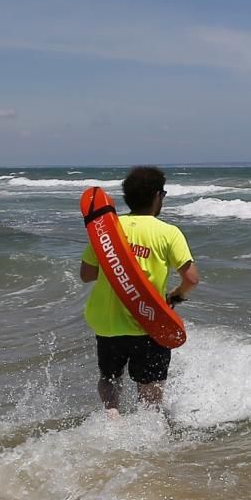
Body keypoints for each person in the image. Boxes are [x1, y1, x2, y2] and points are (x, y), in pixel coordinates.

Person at [79, 166, 199, 414]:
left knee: (109, 378)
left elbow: (87, 275)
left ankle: (112, 418)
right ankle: (148, 431)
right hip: (149, 322)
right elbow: (191, 279)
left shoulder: (106, 232)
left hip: (107, 324)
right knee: (149, 386)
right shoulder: (168, 233)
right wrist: (175, 297)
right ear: (158, 196)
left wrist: (115, 266)